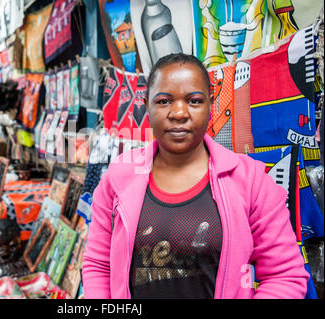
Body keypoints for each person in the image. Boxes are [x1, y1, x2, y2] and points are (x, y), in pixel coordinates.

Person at [82, 53, 309, 299]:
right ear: (146, 105)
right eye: (164, 101)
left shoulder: (250, 181)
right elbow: (98, 264)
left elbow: (284, 276)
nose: (179, 113)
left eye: (194, 101)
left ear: (211, 104)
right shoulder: (118, 177)